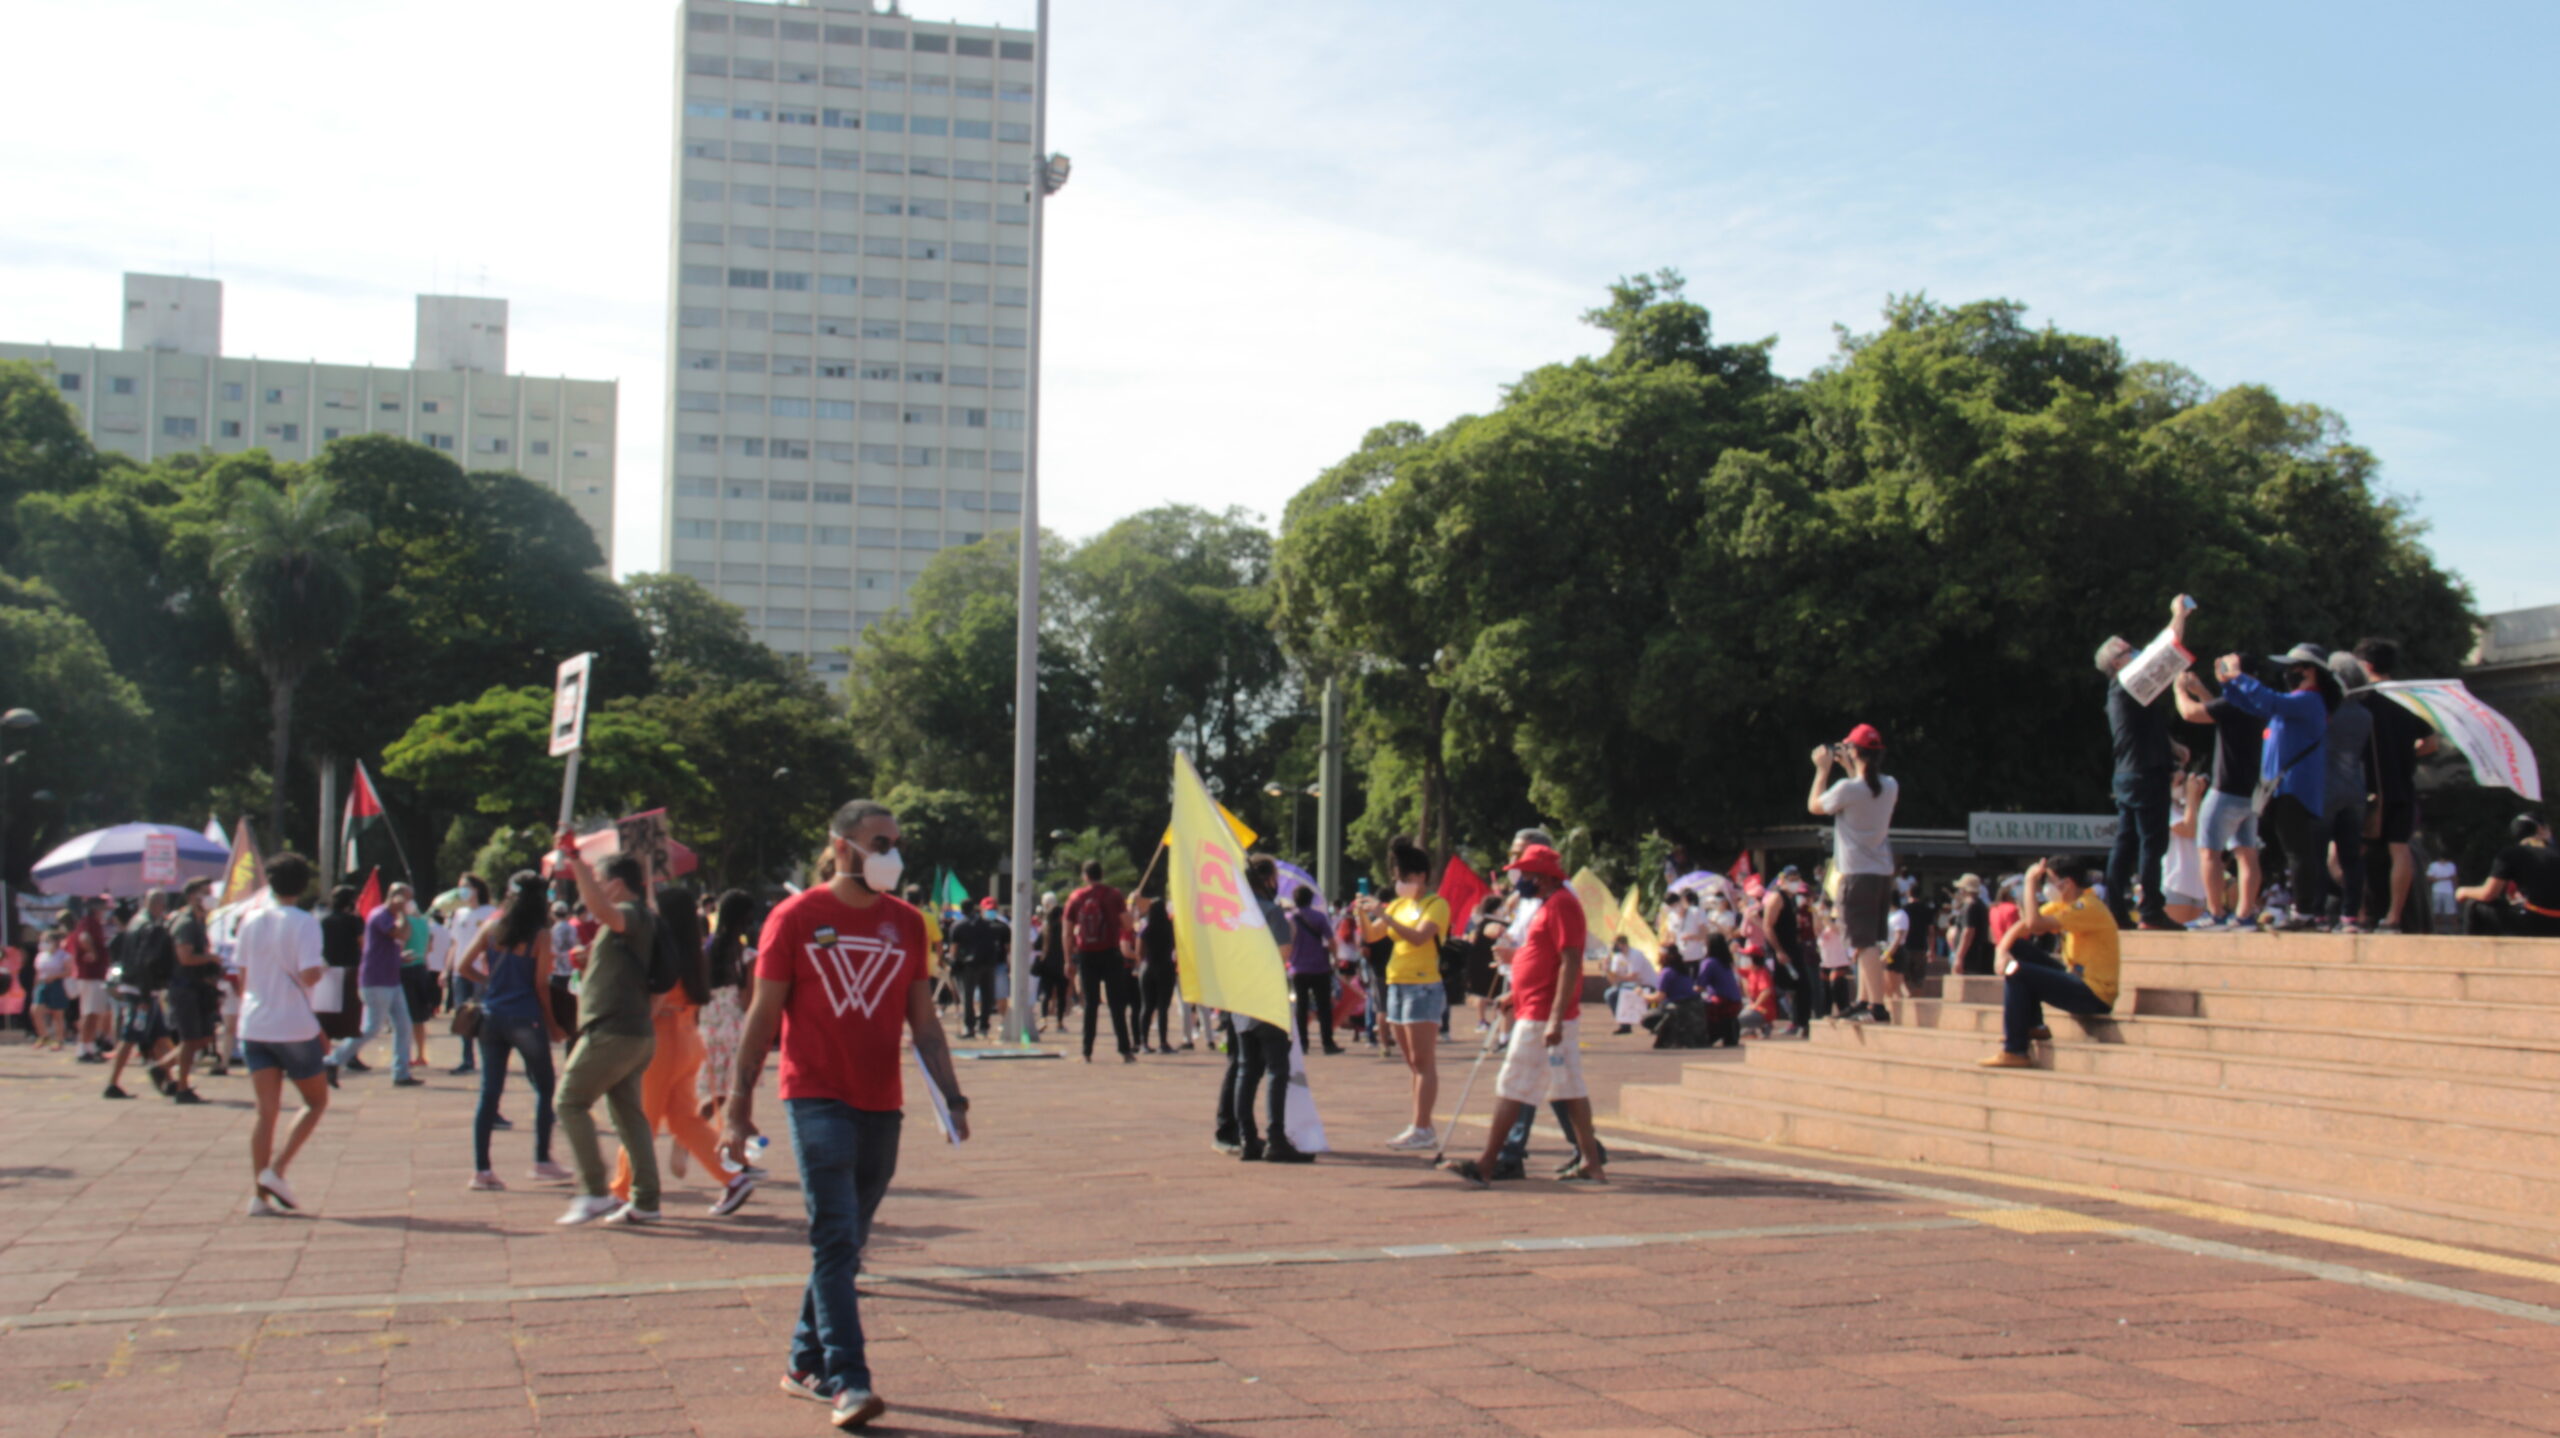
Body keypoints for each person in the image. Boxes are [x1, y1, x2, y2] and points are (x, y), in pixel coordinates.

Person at [720, 798, 971, 1432]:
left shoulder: (907, 923)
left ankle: (802, 1363)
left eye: (895, 844)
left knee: (848, 1240)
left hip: (882, 1101)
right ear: (841, 846)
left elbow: (925, 1023)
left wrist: (953, 1097)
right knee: (834, 1236)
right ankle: (848, 1381)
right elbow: (762, 1017)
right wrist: (737, 1107)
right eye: (879, 844)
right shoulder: (795, 917)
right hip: (814, 1096)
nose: (891, 855)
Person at [1449, 843, 1603, 1187]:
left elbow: (1570, 962)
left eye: (1526, 874)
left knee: (1513, 1084)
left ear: (1542, 876)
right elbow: (1545, 960)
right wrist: (1515, 994)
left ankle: (1487, 1163)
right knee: (1568, 1087)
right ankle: (1591, 1162)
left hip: (1542, 1014)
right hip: (1538, 1007)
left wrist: (1554, 1017)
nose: (1520, 881)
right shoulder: (1552, 904)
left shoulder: (1561, 905)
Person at [610, 887, 750, 1216]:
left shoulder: (664, 948)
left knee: (640, 1120)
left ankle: (622, 1192)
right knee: (684, 1120)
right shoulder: (692, 949)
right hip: (687, 1039)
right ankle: (732, 1178)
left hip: (663, 1040)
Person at [551, 845, 663, 1226]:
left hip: (613, 1030)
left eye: (599, 882)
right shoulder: (633, 918)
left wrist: (575, 860)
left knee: (569, 1102)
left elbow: (601, 910)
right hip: (631, 1030)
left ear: (615, 884)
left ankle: (595, 1191)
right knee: (629, 1116)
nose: (594, 889)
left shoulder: (629, 913)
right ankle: (645, 1200)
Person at [455, 872, 573, 1192]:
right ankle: (541, 1160)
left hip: (491, 1017)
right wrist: (553, 1024)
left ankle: (482, 1170)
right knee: (545, 1086)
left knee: (489, 1092)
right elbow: (540, 986)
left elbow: (463, 966)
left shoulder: (492, 928)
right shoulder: (540, 936)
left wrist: (489, 983)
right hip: (525, 1017)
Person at [233, 854, 332, 1215]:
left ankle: (258, 1196)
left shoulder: (250, 919)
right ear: (302, 886)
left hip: (254, 1022)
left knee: (266, 1112)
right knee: (315, 1101)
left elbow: (242, 974)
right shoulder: (305, 922)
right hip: (292, 1024)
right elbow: (308, 975)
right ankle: (276, 1170)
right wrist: (322, 969)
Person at [2214, 645, 2335, 931]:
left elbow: (2268, 700)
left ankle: (2304, 912)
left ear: (2311, 670)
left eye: (2294, 667)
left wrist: (2240, 676)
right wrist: (2228, 685)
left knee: (2297, 851)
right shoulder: (2293, 702)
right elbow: (2252, 705)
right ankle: (2292, 908)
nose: (2288, 672)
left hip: (2295, 789)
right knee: (2284, 850)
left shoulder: (2309, 700)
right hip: (2279, 789)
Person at [2098, 597, 2194, 931]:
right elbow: (2165, 649)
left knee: (2125, 843)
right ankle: (2151, 910)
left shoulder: (2120, 692)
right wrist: (2179, 614)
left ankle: (2116, 910)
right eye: (2128, 650)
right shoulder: (2128, 682)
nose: (2135, 651)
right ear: (2117, 662)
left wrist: (2171, 746)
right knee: (2153, 842)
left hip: (2128, 774)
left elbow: (2139, 728)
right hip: (2145, 774)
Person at [1980, 857, 2120, 1070]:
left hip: (2094, 994)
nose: (2047, 886)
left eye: (2050, 880)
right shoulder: (2064, 904)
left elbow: (2034, 924)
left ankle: (2015, 1050)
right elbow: (2022, 927)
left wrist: (2030, 882)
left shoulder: (2088, 906)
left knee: (2018, 972)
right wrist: (2001, 951)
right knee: (2018, 947)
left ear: (2068, 883)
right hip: (2076, 979)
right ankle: (2034, 1025)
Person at [1359, 838, 1446, 1152]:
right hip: (1396, 982)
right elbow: (1373, 935)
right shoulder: (1398, 905)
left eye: (1405, 878)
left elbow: (1420, 937)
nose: (1400, 884)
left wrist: (1384, 916)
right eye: (1397, 878)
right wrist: (1362, 913)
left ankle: (1423, 1127)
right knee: (1412, 1061)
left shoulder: (1436, 905)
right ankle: (1419, 1124)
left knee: (1423, 1061)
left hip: (1423, 985)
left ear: (1421, 876)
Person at [1810, 723, 1901, 1019]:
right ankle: (1863, 1000)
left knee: (1863, 942)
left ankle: (1876, 1005)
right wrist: (1850, 767)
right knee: (1868, 940)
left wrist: (1822, 770)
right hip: (1881, 872)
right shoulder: (1890, 785)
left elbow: (1815, 806)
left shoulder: (1847, 788)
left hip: (1856, 874)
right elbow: (1864, 789)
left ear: (1854, 751)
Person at [2353, 639, 2440, 932]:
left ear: (2366, 666)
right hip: (2402, 787)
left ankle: (2358, 913)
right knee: (2399, 850)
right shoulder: (2407, 699)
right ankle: (2393, 916)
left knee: (2348, 852)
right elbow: (2431, 742)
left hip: (2369, 789)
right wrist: (2407, 753)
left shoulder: (2362, 699)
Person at [2173, 668, 2267, 928]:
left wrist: (2180, 690)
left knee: (2208, 852)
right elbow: (2218, 712)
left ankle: (2215, 913)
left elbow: (2190, 713)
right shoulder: (2256, 704)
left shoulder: (2233, 703)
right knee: (2247, 853)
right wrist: (2201, 690)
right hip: (2251, 792)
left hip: (2224, 791)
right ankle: (2244, 915)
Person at [328, 883, 421, 1085]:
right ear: (395, 897)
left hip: (391, 980)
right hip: (377, 981)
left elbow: (391, 942)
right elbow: (402, 934)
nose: (409, 902)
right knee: (371, 1027)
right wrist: (403, 914)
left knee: (404, 1026)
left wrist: (398, 957)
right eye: (407, 898)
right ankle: (332, 1060)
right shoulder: (381, 915)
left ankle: (401, 1073)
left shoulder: (390, 916)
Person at [2320, 652, 2382, 931]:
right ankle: (2351, 914)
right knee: (2351, 857)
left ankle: (2318, 912)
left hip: (2325, 789)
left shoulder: (2325, 711)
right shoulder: (2365, 715)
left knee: (2317, 853)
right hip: (2355, 790)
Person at [103, 892, 176, 1101]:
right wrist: (145, 995)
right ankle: (112, 1083)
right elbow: (145, 962)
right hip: (141, 990)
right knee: (130, 1037)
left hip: (138, 987)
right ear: (160, 905)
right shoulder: (149, 927)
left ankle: (169, 1078)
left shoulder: (136, 922)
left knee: (160, 1036)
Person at [1063, 860, 1135, 1063]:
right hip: (1111, 953)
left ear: (1084, 876)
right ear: (1102, 874)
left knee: (1090, 1004)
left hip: (1086, 955)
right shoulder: (1114, 895)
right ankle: (1125, 1050)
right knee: (1116, 1004)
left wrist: (1068, 960)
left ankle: (1087, 1050)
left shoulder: (1076, 897)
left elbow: (1067, 933)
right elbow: (1128, 925)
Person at [700, 889, 760, 1127]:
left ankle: (690, 1134)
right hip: (734, 1027)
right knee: (738, 1091)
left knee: (714, 1092)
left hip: (707, 1025)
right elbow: (747, 1001)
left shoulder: (705, 952)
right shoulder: (747, 956)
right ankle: (737, 1140)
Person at [162, 878, 223, 1103]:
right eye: (204, 893)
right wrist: (211, 958)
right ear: (191, 896)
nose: (209, 897)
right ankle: (182, 1087)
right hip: (183, 988)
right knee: (190, 1039)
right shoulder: (186, 922)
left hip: (196, 988)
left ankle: (162, 1068)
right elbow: (185, 957)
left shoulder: (199, 921)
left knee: (202, 1037)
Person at [2456, 814, 2560, 938]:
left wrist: (2462, 891)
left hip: (2533, 922)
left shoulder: (2511, 853)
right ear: (2540, 829)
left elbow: (2488, 894)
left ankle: (2472, 948)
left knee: (2473, 903)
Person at [1760, 866, 1818, 1037]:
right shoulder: (1777, 898)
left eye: (1797, 879)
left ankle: (1800, 1022)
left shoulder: (1792, 899)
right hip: (1782, 949)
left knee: (1801, 986)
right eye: (1791, 879)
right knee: (1791, 986)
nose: (1795, 882)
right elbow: (1767, 926)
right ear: (1782, 880)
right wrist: (1778, 950)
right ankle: (1795, 1022)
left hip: (1793, 947)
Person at [1284, 885, 1339, 1055]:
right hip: (1319, 967)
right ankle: (1328, 1043)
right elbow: (1331, 941)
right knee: (1324, 1006)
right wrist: (1335, 958)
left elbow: (1287, 942)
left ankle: (1302, 1043)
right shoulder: (1319, 917)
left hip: (1298, 968)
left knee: (1301, 1006)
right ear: (1311, 899)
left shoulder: (1289, 918)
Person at [946, 898, 1006, 1040]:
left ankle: (970, 1027)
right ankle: (984, 1026)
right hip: (988, 963)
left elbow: (954, 949)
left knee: (968, 996)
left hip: (969, 965)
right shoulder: (987, 924)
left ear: (962, 910)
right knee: (987, 996)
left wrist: (951, 962)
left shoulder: (958, 926)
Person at [1135, 893, 1185, 1053]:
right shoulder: (1171, 927)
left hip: (1148, 967)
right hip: (1166, 967)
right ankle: (1163, 1042)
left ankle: (1143, 1042)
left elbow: (1139, 951)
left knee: (1147, 1006)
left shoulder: (1146, 927)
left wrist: (1142, 963)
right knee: (1163, 1007)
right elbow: (1177, 947)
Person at [2160, 770, 2210, 925]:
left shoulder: (2189, 807)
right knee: (2174, 938)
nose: (2185, 787)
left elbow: (2203, 829)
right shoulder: (2164, 807)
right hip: (2176, 883)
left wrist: (2197, 796)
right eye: (2181, 783)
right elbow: (2189, 830)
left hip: (2198, 886)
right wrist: (2191, 797)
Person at [32, 926, 71, 1050]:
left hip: (57, 984)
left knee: (57, 1014)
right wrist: (35, 986)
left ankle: (59, 1040)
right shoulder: (40, 956)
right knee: (35, 1010)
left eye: (46, 941)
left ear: (55, 942)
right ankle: (44, 1036)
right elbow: (38, 972)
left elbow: (69, 972)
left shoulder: (64, 955)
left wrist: (54, 976)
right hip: (42, 984)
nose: (43, 943)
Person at [1949, 874, 1994, 976]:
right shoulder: (1980, 904)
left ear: (1964, 889)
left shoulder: (1970, 906)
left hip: (1969, 956)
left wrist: (1959, 957)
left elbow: (1968, 931)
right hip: (1977, 953)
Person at [2428, 851, 2460, 922]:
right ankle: (2437, 925)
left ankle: (2455, 926)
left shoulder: (2451, 865)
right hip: (2437, 890)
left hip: (2449, 890)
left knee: (2451, 910)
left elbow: (2454, 878)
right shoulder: (2433, 865)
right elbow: (2429, 878)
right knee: (2436, 910)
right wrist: (2446, 878)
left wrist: (2456, 888)